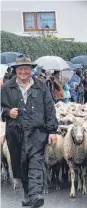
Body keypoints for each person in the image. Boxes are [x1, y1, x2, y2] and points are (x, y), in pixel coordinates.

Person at [1, 55, 58, 208]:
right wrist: (7, 112)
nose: (24, 71)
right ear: (16, 70)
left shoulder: (41, 86)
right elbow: (1, 108)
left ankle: (35, 194)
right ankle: (28, 193)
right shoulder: (7, 87)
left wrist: (52, 130)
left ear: (31, 70)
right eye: (21, 68)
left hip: (36, 132)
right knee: (21, 164)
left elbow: (49, 108)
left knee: (35, 162)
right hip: (16, 132)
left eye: (27, 68)